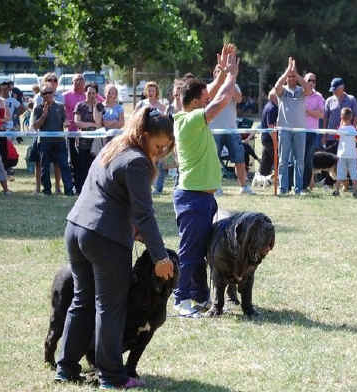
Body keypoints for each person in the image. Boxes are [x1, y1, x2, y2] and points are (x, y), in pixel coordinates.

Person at [54, 107, 175, 389]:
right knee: (110, 307)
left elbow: (110, 195)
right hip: (103, 238)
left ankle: (66, 368)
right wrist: (160, 257)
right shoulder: (137, 162)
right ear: (144, 136)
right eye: (157, 145)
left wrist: (133, 230)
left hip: (76, 229)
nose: (160, 152)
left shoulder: (115, 146)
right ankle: (111, 376)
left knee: (82, 301)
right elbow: (145, 214)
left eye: (166, 147)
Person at [172, 44, 239, 316]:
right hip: (193, 198)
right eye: (203, 97)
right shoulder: (190, 121)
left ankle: (200, 297)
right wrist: (231, 76)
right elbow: (221, 100)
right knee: (189, 252)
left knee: (200, 251)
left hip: (202, 197)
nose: (207, 97)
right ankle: (181, 300)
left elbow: (211, 91)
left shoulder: (189, 116)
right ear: (197, 101)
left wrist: (222, 72)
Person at [209, 64, 254, 195]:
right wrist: (221, 82)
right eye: (218, 71)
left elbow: (239, 99)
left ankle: (244, 187)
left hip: (232, 130)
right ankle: (215, 187)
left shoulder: (233, 85)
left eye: (223, 71)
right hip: (214, 131)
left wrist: (231, 80)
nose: (221, 73)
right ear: (214, 73)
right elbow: (209, 98)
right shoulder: (211, 87)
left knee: (239, 159)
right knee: (214, 160)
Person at [274, 57, 312, 196]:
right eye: (289, 77)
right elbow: (276, 87)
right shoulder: (282, 91)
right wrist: (287, 72)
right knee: (283, 160)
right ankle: (283, 188)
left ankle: (298, 189)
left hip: (300, 130)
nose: (290, 79)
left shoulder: (302, 91)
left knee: (299, 160)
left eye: (293, 77)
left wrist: (296, 74)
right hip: (284, 130)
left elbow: (309, 89)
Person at [32, 83, 74, 195]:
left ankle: (69, 190)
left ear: (54, 93)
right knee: (44, 167)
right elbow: (35, 126)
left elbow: (65, 120)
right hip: (44, 142)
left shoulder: (60, 106)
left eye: (50, 92)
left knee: (64, 166)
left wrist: (66, 123)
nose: (48, 95)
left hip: (59, 141)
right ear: (41, 95)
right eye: (45, 93)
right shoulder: (38, 108)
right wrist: (44, 115)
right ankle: (47, 190)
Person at [74, 84, 103, 192]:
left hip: (95, 143)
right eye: (89, 92)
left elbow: (99, 122)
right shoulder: (80, 105)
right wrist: (92, 125)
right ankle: (79, 189)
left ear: (96, 94)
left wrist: (95, 106)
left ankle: (94, 189)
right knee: (82, 166)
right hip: (82, 142)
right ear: (85, 93)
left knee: (95, 166)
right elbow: (78, 122)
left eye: (93, 93)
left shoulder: (100, 106)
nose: (91, 95)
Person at [323, 77, 357, 153]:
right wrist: (324, 135)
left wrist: (352, 130)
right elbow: (325, 118)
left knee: (344, 160)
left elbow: (356, 115)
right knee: (331, 161)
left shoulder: (351, 99)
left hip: (346, 137)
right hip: (331, 136)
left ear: (342, 87)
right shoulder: (329, 100)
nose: (334, 92)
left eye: (335, 89)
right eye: (333, 90)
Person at [63, 74, 86, 193]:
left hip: (84, 135)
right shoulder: (66, 96)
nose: (79, 83)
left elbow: (102, 103)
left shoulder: (88, 95)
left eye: (81, 81)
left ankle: (81, 186)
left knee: (83, 161)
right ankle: (72, 186)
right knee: (72, 161)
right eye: (76, 81)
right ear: (73, 82)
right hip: (71, 133)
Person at [303, 72, 324, 190]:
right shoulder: (299, 94)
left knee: (308, 159)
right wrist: (313, 112)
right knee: (297, 159)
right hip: (298, 132)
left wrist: (307, 112)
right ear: (304, 81)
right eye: (309, 80)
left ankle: (305, 186)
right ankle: (294, 184)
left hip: (311, 132)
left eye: (314, 81)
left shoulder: (319, 96)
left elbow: (321, 114)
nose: (311, 83)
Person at [333, 107, 357, 197]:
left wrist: (340, 126)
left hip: (342, 154)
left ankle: (336, 190)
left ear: (341, 117)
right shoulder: (354, 129)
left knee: (340, 173)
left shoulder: (340, 129)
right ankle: (355, 190)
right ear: (351, 117)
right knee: (353, 173)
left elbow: (336, 137)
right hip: (352, 155)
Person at [257, 88, 278, 178]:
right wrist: (275, 142)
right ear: (274, 97)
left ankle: (261, 175)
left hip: (266, 138)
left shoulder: (268, 106)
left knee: (266, 159)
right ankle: (278, 178)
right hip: (270, 139)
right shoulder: (272, 108)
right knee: (277, 158)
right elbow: (271, 127)